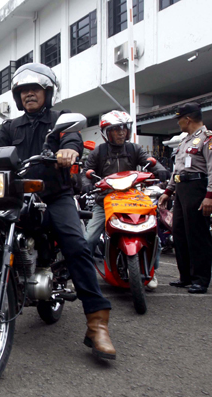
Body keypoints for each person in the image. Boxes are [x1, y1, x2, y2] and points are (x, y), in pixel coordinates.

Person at [0, 63, 116, 360]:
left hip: (54, 195)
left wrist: (70, 151)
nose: (28, 95)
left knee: (77, 246)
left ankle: (97, 324)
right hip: (17, 196)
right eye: (23, 91)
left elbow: (73, 137)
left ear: (47, 92)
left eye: (34, 90)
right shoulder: (11, 127)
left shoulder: (60, 119)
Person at [82, 110, 170, 290]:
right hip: (105, 201)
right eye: (116, 129)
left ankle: (152, 270)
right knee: (89, 238)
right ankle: (83, 274)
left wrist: (160, 169)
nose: (121, 132)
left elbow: (149, 161)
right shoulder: (99, 151)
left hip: (132, 199)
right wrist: (85, 182)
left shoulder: (133, 149)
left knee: (154, 236)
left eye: (123, 128)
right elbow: (86, 171)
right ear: (107, 133)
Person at [159, 102, 212, 294]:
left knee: (197, 234)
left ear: (187, 119)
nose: (178, 123)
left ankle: (201, 279)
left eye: (179, 118)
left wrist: (209, 196)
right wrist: (168, 191)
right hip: (182, 189)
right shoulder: (185, 141)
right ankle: (186, 276)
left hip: (198, 188)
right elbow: (177, 170)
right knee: (180, 232)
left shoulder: (207, 138)